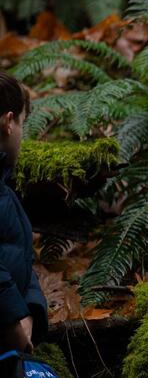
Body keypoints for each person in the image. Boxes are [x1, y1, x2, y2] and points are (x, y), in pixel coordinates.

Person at [0, 71, 48, 353]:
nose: (22, 135)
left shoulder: (5, 191)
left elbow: (20, 258)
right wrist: (12, 319)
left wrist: (29, 311)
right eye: (22, 123)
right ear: (8, 122)